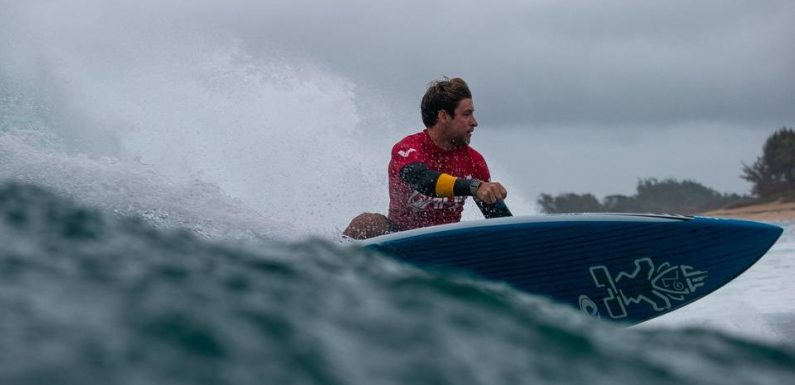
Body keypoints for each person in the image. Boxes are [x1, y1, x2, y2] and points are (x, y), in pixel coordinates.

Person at [343, 77, 511, 240]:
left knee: (484, 235)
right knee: (366, 223)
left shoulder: (474, 161)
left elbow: (499, 221)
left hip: (446, 241)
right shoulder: (408, 149)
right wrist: (474, 186)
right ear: (444, 116)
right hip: (400, 238)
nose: (474, 122)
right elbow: (423, 180)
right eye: (466, 114)